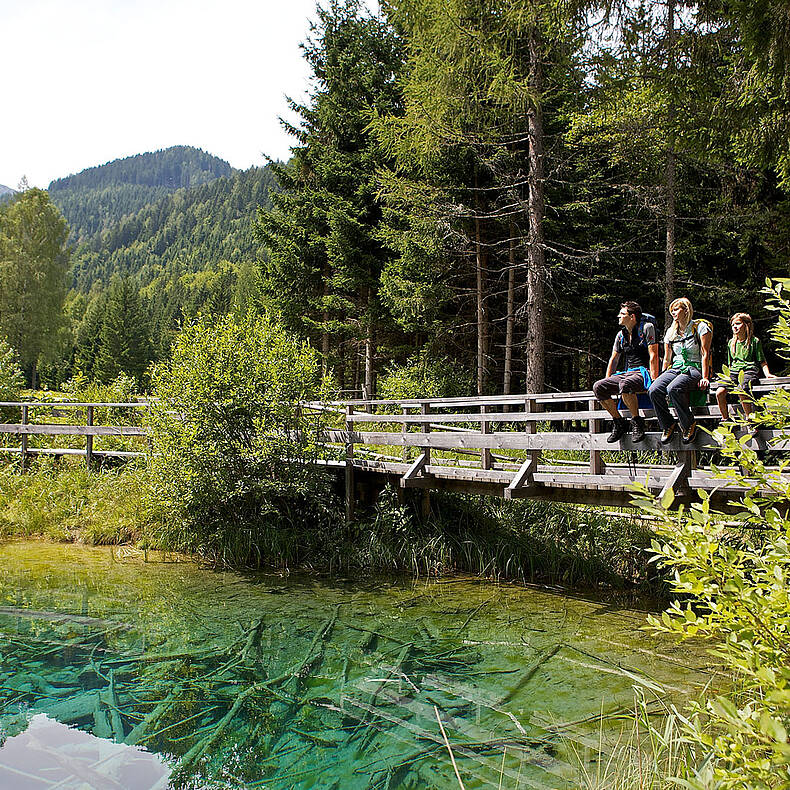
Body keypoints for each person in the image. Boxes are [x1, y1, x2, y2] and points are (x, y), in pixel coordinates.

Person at [592, 301, 659, 443]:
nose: (618, 316)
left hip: (643, 371)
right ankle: (618, 421)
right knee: (598, 387)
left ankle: (636, 421)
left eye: (622, 314)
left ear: (632, 317)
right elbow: (614, 359)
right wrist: (607, 380)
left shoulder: (647, 328)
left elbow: (653, 355)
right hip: (628, 373)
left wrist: (654, 380)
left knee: (625, 384)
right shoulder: (621, 335)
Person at [648, 297, 712, 444]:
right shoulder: (671, 332)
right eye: (672, 310)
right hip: (676, 368)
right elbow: (667, 359)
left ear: (686, 310)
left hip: (693, 367)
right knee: (654, 390)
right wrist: (661, 376)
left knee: (674, 388)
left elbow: (705, 353)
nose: (674, 313)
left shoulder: (701, 327)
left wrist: (705, 377)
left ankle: (688, 424)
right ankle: (668, 424)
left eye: (677, 309)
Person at [715, 312, 775, 431]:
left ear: (746, 325)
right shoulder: (731, 343)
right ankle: (725, 420)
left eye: (737, 324)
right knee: (719, 392)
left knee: (741, 390)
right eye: (732, 325)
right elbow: (730, 363)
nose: (735, 327)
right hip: (734, 370)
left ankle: (750, 420)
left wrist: (767, 374)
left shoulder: (754, 341)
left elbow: (762, 361)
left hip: (749, 370)